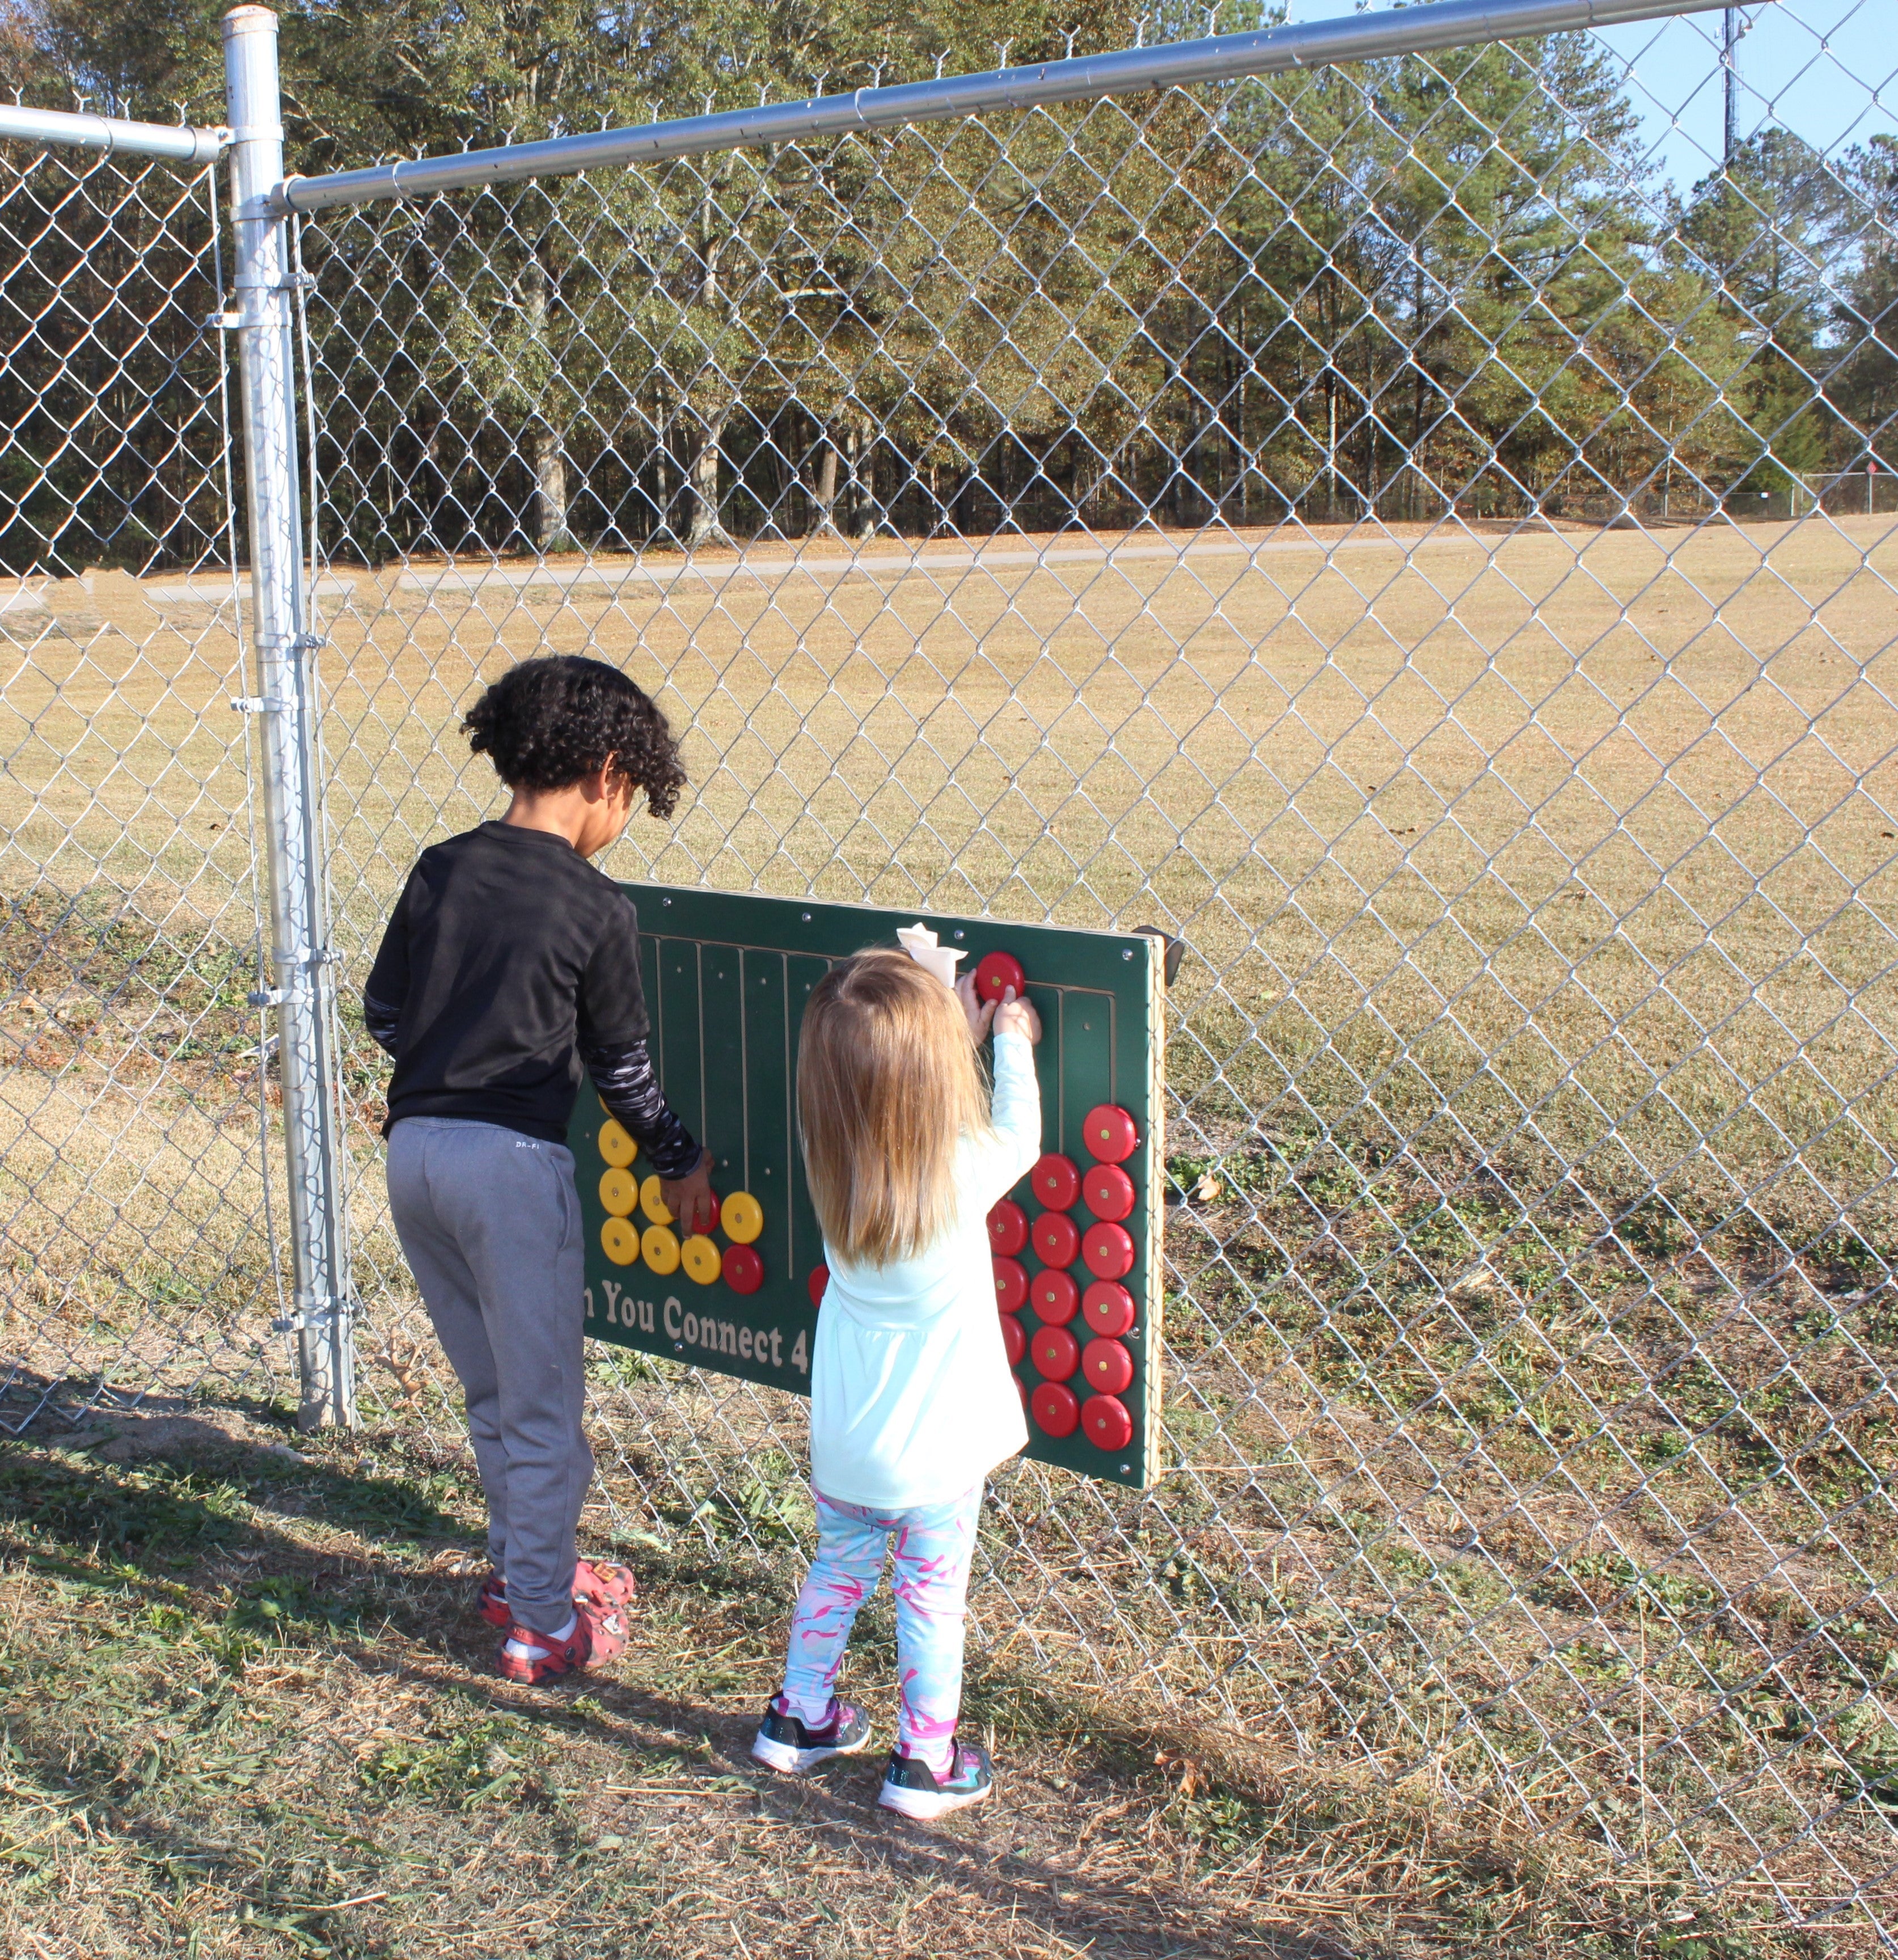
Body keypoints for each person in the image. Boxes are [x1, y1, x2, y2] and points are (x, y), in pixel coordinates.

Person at [362, 654, 715, 1686]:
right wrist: (681, 1161)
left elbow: (386, 1012)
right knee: (545, 1409)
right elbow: (622, 1069)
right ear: (608, 772)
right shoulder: (597, 910)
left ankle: (523, 1576)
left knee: (491, 1393)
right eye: (634, 801)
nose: (625, 822)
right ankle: (547, 1626)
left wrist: (454, 1051)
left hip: (415, 1156)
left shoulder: (439, 866)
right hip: (512, 1169)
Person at [750, 948, 1042, 1820]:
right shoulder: (958, 1172)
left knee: (837, 1572)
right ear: (939, 1075)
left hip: (847, 1447)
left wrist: (942, 1014)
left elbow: (879, 1090)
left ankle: (798, 1720)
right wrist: (1012, 1042)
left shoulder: (829, 1161)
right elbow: (1018, 1134)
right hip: (935, 1462)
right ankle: (924, 1759)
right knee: (930, 1602)